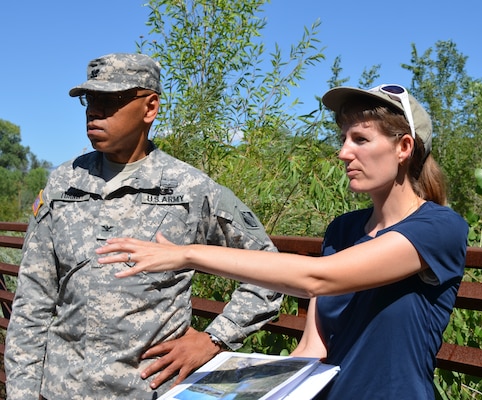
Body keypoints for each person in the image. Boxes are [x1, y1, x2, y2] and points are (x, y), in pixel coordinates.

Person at [96, 84, 469, 399]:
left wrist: (188, 255)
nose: (343, 153)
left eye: (360, 139)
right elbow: (314, 348)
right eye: (343, 139)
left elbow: (318, 278)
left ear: (403, 147)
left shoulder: (438, 228)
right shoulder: (343, 230)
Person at [5, 52, 283, 400]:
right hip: (62, 389)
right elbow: (33, 299)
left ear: (150, 108)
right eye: (91, 100)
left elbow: (271, 270)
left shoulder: (187, 189)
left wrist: (214, 339)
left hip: (147, 391)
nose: (95, 110)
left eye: (112, 100)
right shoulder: (65, 183)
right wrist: (22, 394)